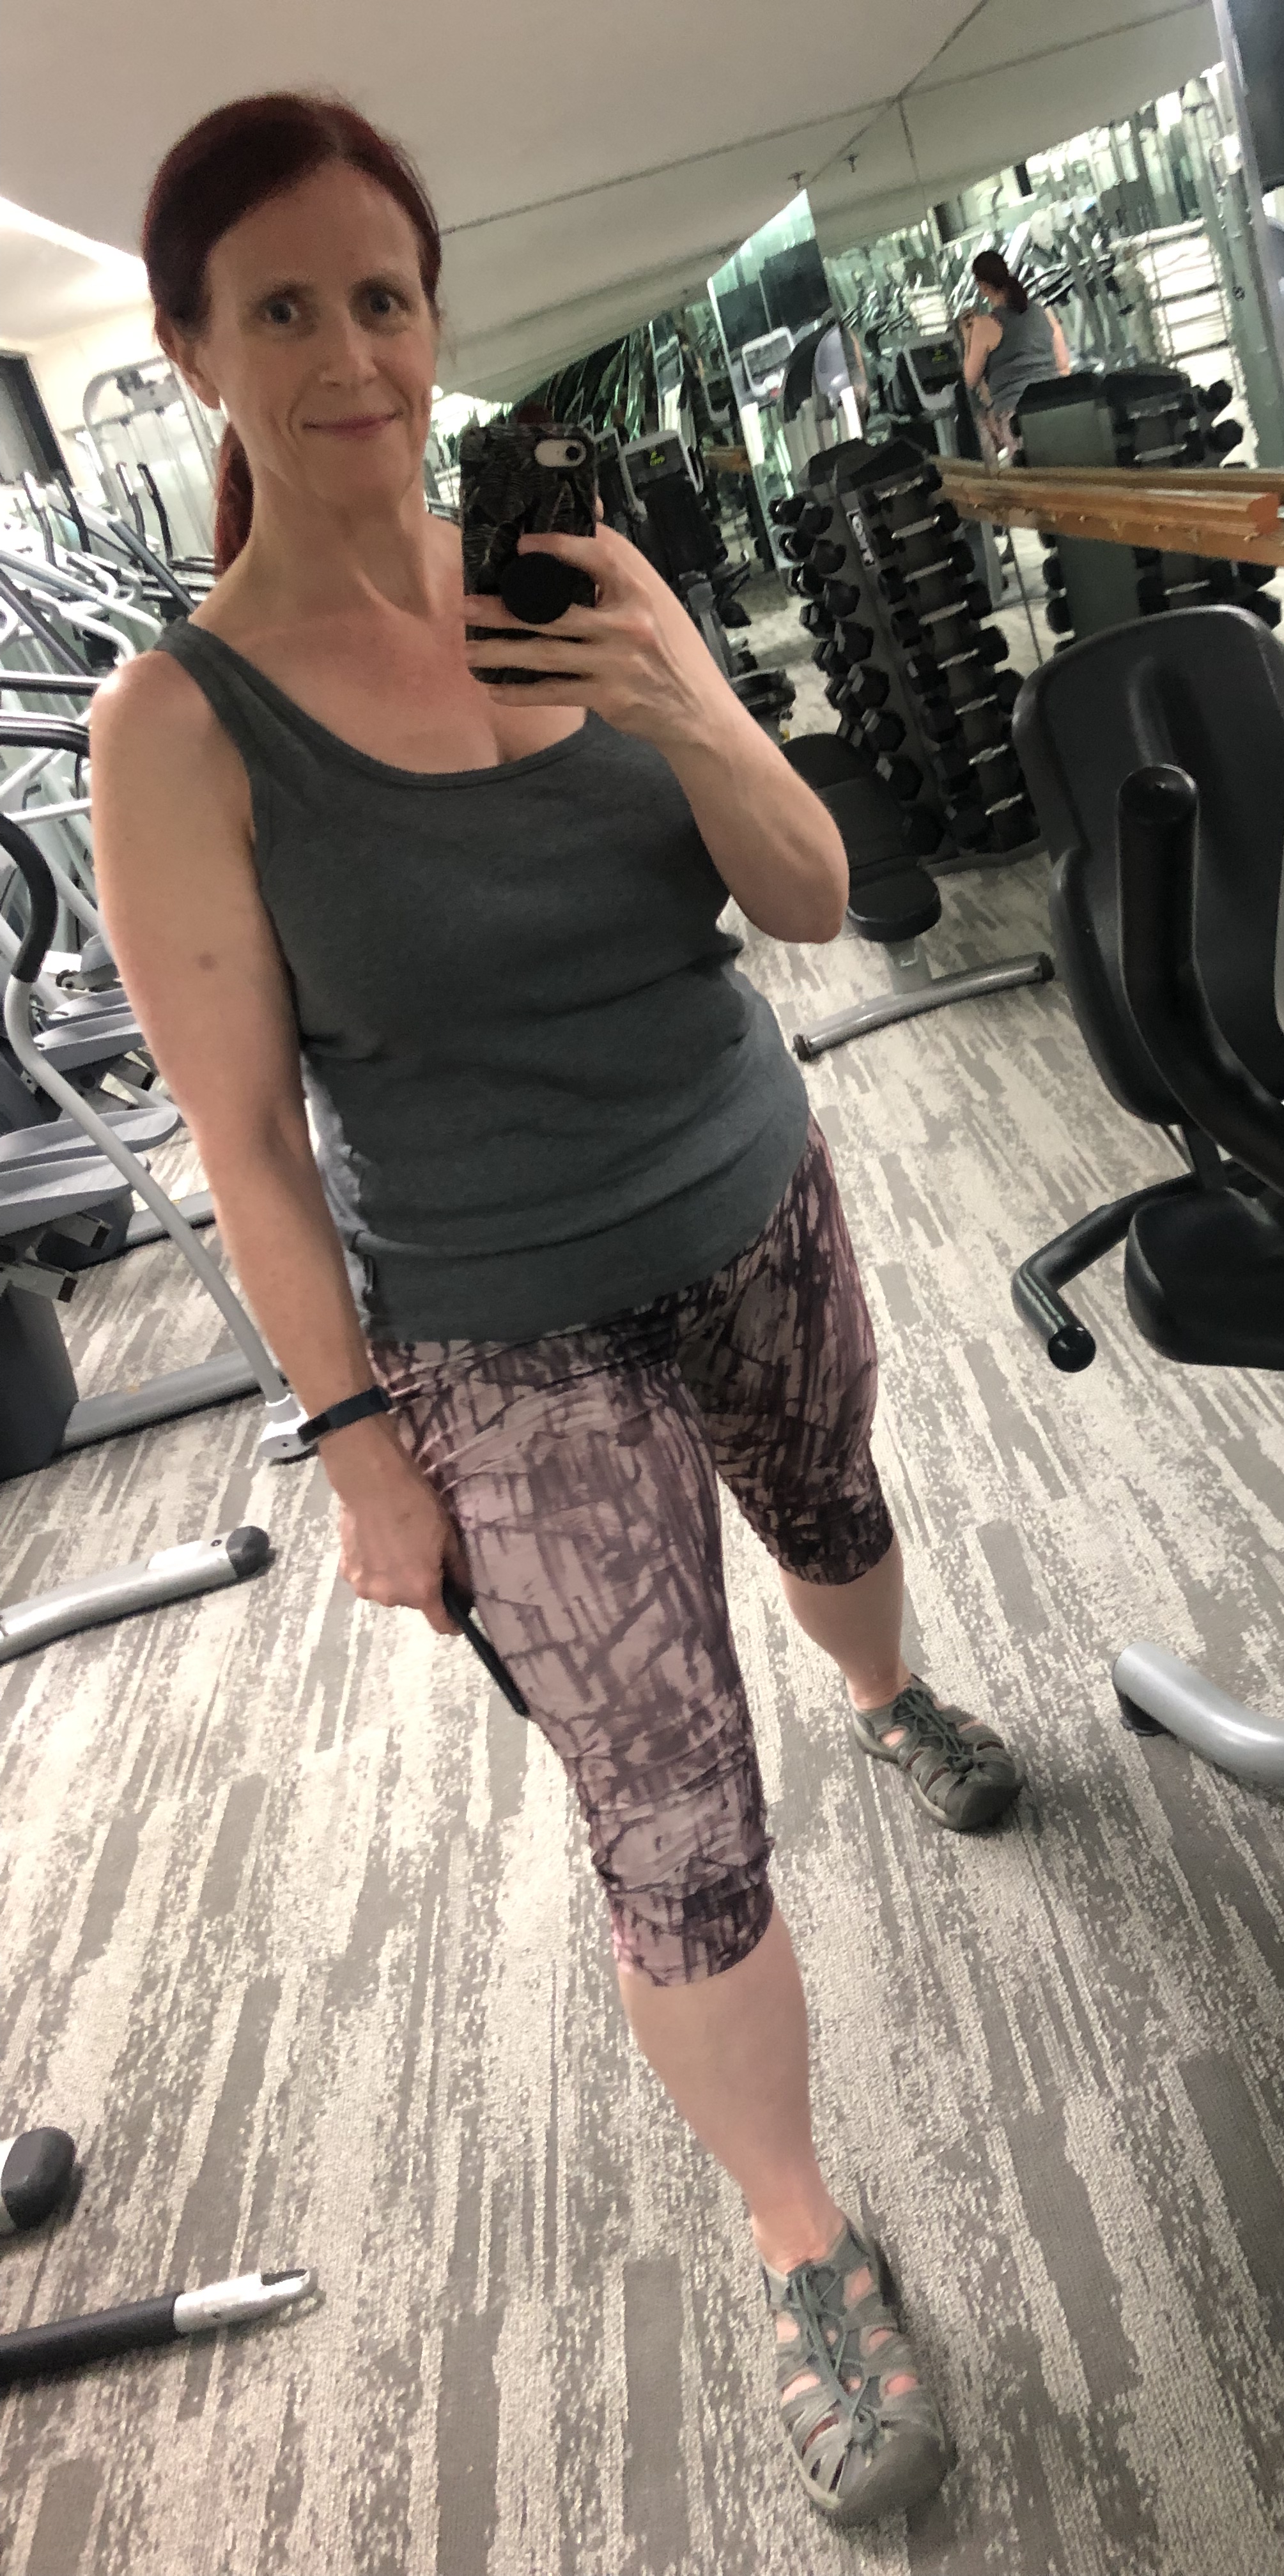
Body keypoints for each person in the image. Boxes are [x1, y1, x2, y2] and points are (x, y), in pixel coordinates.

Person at [91, 91, 1026, 2531]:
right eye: (281, 309)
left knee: (833, 1514)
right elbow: (248, 1144)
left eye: (382, 297)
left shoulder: (582, 581)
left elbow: (812, 900)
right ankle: (802, 2235)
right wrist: (356, 1452)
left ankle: (887, 1692)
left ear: (436, 316)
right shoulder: (178, 729)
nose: (349, 356)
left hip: (748, 1194)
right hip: (494, 1329)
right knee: (669, 1813)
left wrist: (681, 695)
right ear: (194, 349)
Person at [960, 249, 1071, 459]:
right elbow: (1063, 363)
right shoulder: (1043, 312)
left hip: (1016, 418)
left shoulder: (984, 325)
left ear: (983, 287)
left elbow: (970, 380)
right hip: (1056, 406)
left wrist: (967, 338)